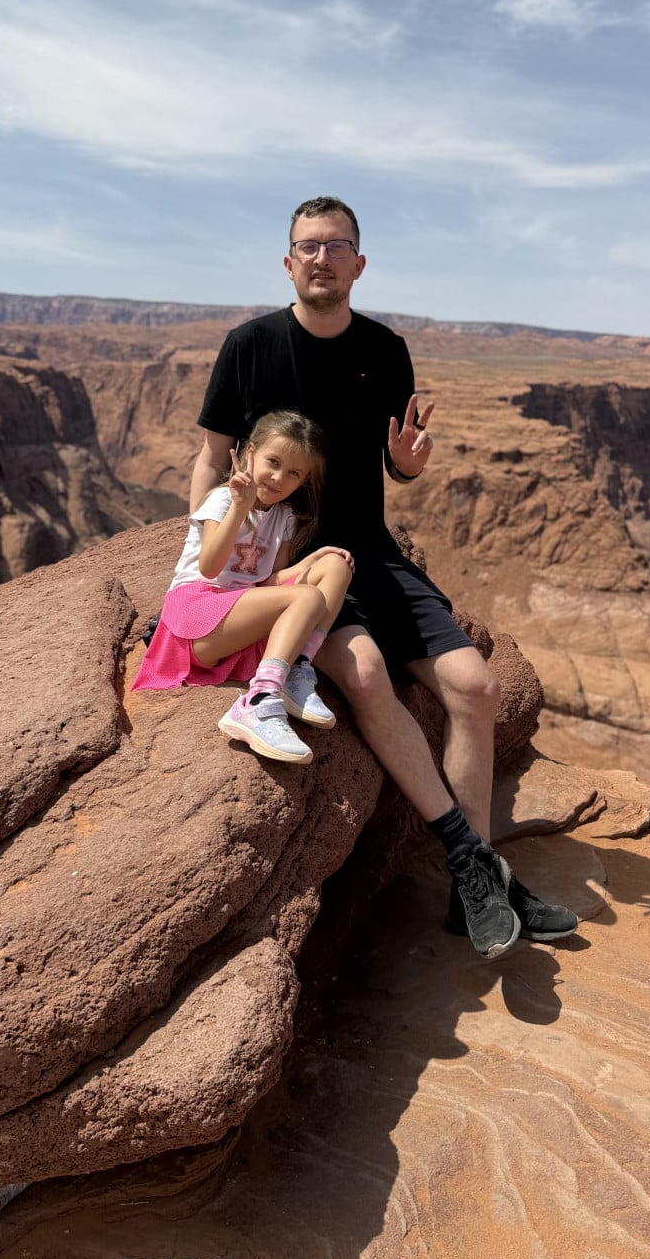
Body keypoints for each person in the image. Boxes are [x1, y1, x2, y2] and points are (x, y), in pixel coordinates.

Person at [189, 197, 578, 958]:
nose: (322, 258)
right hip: (293, 563)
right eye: (309, 246)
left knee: (476, 688)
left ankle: (476, 887)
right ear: (288, 263)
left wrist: (405, 465)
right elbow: (210, 457)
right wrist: (201, 559)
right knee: (366, 675)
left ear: (359, 264)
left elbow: (398, 463)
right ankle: (475, 866)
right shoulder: (249, 346)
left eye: (337, 246)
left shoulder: (385, 349)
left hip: (371, 550)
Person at [133, 409, 355, 766]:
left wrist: (309, 564)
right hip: (196, 616)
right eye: (273, 462)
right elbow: (209, 567)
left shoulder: (284, 517)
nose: (279, 477)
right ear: (249, 452)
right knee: (307, 596)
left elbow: (269, 582)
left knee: (335, 566)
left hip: (239, 612)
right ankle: (257, 702)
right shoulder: (222, 500)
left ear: (304, 480)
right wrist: (240, 507)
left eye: (294, 473)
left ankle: (295, 667)